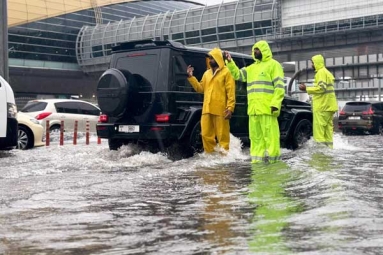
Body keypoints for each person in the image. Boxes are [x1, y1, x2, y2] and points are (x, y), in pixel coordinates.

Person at [224, 40, 285, 164]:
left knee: (271, 138)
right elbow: (237, 75)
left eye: (257, 49)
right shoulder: (251, 68)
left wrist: (275, 103)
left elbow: (279, 87)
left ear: (264, 50)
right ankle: (257, 164)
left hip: (267, 109)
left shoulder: (274, 65)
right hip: (253, 111)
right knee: (256, 139)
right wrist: (230, 62)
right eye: (254, 49)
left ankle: (275, 164)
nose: (255, 51)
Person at [186, 48, 235, 154]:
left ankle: (225, 158)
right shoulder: (206, 73)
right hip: (207, 109)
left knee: (222, 135)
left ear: (217, 58)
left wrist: (230, 108)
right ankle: (210, 156)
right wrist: (191, 77)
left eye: (212, 58)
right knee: (205, 135)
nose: (210, 60)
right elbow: (200, 88)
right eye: (209, 58)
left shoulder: (226, 72)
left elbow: (230, 91)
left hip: (221, 109)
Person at [298, 55, 338, 148]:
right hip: (329, 107)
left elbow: (321, 88)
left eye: (312, 62)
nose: (311, 65)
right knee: (328, 134)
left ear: (317, 63)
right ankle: (329, 152)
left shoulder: (320, 72)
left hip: (322, 107)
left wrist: (306, 88)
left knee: (319, 133)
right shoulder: (326, 72)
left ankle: (320, 156)